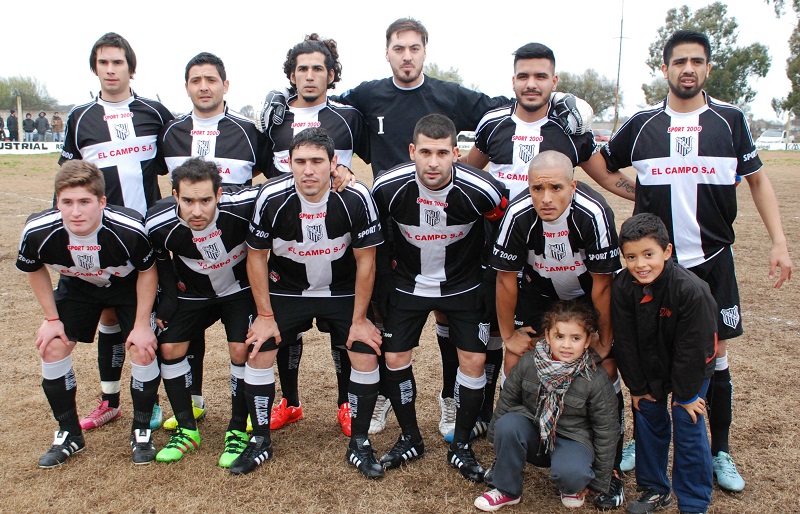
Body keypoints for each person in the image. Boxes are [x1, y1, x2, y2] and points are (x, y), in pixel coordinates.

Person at [603, 29, 793, 493]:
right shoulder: (642, 123)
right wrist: (638, 192)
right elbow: (602, 163)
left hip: (712, 260)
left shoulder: (730, 120)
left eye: (696, 61)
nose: (687, 69)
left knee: (716, 355)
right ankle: (643, 441)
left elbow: (757, 180)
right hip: (655, 266)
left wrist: (779, 242)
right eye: (679, 61)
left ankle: (719, 450)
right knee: (647, 353)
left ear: (708, 67)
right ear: (664, 68)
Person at [371, 114, 506, 482]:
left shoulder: (482, 188)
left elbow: (502, 230)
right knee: (395, 357)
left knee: (473, 360)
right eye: (426, 152)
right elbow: (374, 233)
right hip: (407, 284)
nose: (433, 162)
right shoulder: (386, 187)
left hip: (463, 286)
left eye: (442, 153)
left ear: (456, 154)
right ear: (412, 151)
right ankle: (410, 437)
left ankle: (461, 444)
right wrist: (383, 280)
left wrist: (489, 279)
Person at [243, 127, 383, 476]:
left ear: (334, 163)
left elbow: (367, 261)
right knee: (258, 349)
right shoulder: (271, 196)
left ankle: (360, 442)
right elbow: (256, 257)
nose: (308, 170)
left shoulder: (356, 196)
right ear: (288, 163)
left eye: (317, 161)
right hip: (288, 289)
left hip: (341, 289)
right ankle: (259, 440)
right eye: (300, 161)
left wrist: (360, 320)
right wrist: (264, 315)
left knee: (365, 352)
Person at [488, 150, 624, 509]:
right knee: (516, 358)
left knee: (606, 366)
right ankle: (512, 453)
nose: (546, 198)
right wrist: (508, 335)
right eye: (537, 188)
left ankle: (609, 466)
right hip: (539, 293)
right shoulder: (518, 214)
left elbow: (603, 283)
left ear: (573, 186)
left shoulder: (593, 213)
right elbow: (505, 279)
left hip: (585, 295)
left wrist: (603, 339)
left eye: (556, 188)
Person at [60, 32, 173, 433]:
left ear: (131, 68)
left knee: (147, 319)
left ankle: (151, 402)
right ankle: (109, 401)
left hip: (146, 234)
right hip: (102, 237)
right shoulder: (80, 118)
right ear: (95, 68)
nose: (111, 70)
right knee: (107, 312)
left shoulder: (155, 113)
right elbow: (68, 179)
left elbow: (173, 166)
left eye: (118, 62)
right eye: (103, 63)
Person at [17, 160, 160, 467]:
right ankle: (69, 433)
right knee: (51, 346)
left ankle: (142, 430)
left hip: (127, 286)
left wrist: (141, 325)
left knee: (143, 348)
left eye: (84, 202)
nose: (76, 212)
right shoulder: (38, 230)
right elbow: (34, 268)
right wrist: (52, 319)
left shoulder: (129, 229)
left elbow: (148, 271)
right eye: (67, 202)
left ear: (102, 202)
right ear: (57, 202)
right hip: (78, 286)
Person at [261, 34, 369, 437]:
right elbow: (262, 172)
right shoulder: (274, 118)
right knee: (286, 328)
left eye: (317, 69)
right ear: (291, 75)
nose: (309, 76)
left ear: (332, 74)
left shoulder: (349, 117)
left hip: (334, 237)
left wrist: (349, 174)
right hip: (288, 240)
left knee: (342, 331)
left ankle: (346, 403)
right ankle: (289, 402)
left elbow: (374, 157)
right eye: (302, 69)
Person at [157, 51, 269, 431]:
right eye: (196, 80)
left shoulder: (248, 132)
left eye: (211, 79)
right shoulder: (171, 133)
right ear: (186, 87)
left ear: (225, 85)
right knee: (185, 335)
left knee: (241, 344)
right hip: (192, 263)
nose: (204, 87)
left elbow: (272, 179)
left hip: (235, 257)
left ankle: (243, 415)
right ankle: (194, 403)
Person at [145, 158, 260, 467]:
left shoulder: (244, 204)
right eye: (187, 201)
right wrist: (168, 301)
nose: (197, 211)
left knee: (240, 349)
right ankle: (186, 430)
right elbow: (159, 261)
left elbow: (289, 185)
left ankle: (238, 429)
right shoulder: (157, 222)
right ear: (175, 196)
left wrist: (338, 172)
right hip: (193, 293)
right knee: (169, 348)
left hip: (238, 290)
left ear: (219, 195)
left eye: (206, 200)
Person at [612, 213, 717, 514]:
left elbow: (693, 350)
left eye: (649, 254)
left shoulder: (690, 290)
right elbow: (625, 342)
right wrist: (638, 387)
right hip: (649, 363)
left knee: (687, 419)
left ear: (667, 251)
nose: (640, 264)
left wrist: (686, 396)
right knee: (648, 413)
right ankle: (655, 489)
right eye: (631, 257)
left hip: (691, 366)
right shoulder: (622, 286)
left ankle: (694, 502)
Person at [475, 300, 619, 511]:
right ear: (548, 336)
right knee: (507, 425)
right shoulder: (529, 362)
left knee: (573, 474)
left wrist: (598, 482)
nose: (566, 345)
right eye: (559, 336)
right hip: (534, 430)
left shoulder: (595, 378)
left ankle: (570, 485)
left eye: (576, 338)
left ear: (587, 341)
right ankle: (507, 490)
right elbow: (508, 399)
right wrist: (499, 443)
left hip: (572, 438)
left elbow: (606, 430)